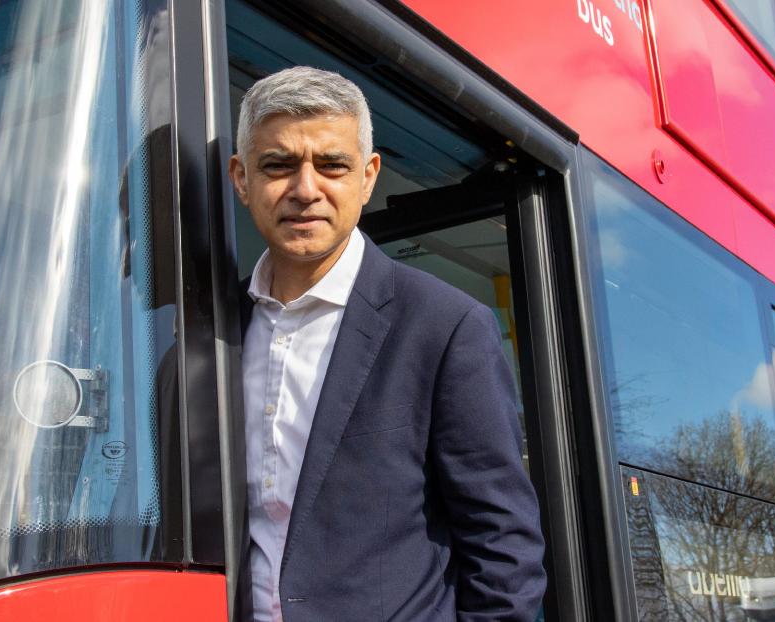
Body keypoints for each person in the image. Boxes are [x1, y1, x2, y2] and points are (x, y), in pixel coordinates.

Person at [229, 66, 546, 621]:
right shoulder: (211, 331)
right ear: (241, 178)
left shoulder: (446, 326)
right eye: (278, 165)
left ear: (369, 177)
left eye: (332, 165)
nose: (306, 190)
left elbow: (504, 548)